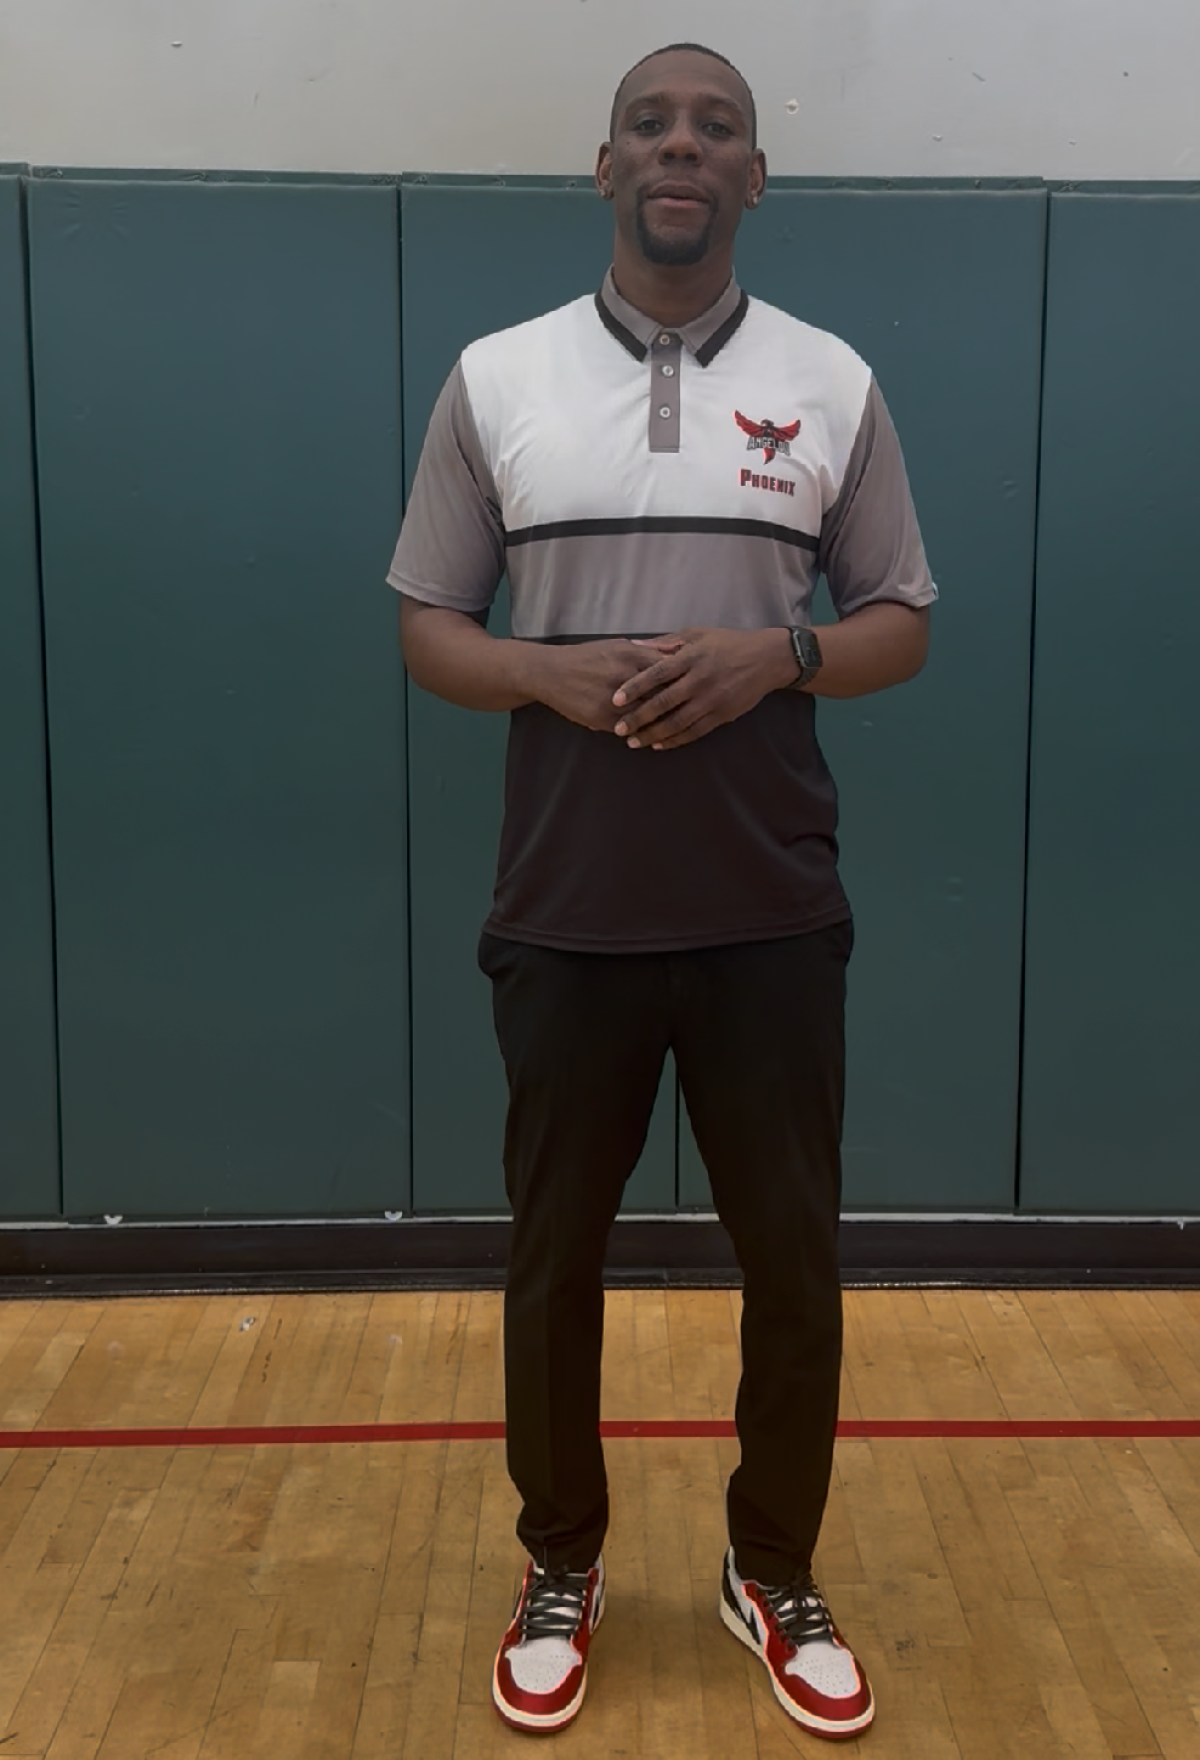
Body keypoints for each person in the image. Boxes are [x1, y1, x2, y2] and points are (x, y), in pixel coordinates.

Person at [388, 41, 935, 1740]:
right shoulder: (498, 379)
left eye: (715, 128)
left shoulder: (835, 383)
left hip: (773, 910)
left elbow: (900, 622)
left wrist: (776, 656)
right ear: (604, 165)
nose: (680, 147)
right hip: (565, 912)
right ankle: (562, 1562)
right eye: (651, 124)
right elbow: (430, 629)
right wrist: (544, 678)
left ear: (754, 177)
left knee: (797, 1264)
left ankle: (773, 1567)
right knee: (554, 1266)